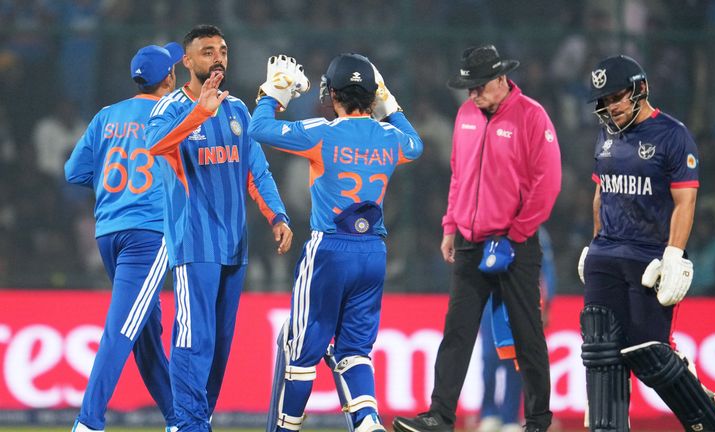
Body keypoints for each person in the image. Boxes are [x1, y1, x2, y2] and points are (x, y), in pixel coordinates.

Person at [247, 53, 423, 432]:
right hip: (373, 253)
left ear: (332, 94)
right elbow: (416, 144)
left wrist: (274, 93)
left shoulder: (322, 133)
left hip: (329, 249)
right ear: (372, 95)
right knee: (355, 350)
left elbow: (257, 129)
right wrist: (389, 104)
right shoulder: (391, 137)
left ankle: (283, 429)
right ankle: (367, 421)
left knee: (300, 350)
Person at [393, 44, 561, 432]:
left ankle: (537, 420)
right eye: (468, 87)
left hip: (515, 244)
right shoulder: (467, 114)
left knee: (526, 333)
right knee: (458, 331)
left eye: (479, 86)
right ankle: (440, 415)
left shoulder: (532, 116)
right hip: (470, 241)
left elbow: (547, 184)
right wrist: (451, 225)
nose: (472, 94)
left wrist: (517, 232)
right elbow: (459, 174)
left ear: (502, 80)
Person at [145, 25, 292, 432]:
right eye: (207, 51)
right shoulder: (171, 107)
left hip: (234, 245)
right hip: (194, 243)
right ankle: (189, 424)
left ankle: (195, 421)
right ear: (187, 62)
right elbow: (155, 145)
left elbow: (256, 170)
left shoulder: (238, 110)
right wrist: (199, 113)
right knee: (195, 342)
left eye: (223, 50)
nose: (218, 57)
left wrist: (277, 215)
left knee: (220, 350)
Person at [576, 54, 715, 432]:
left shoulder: (673, 135)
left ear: (640, 89)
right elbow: (601, 194)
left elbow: (685, 200)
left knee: (649, 353)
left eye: (617, 97)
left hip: (649, 258)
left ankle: (707, 411)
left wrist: (674, 254)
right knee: (599, 348)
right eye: (604, 101)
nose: (611, 106)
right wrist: (593, 244)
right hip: (606, 251)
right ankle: (606, 425)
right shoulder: (607, 134)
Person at [64, 42, 184, 432]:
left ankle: (178, 420)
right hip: (149, 232)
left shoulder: (106, 116)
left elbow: (73, 172)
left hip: (109, 233)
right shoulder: (175, 112)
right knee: (124, 327)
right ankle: (89, 421)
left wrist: (110, 184)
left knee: (146, 331)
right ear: (168, 78)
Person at [476, 227, 556, 432]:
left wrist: (547, 305)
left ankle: (509, 417)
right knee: (488, 359)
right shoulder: (487, 226)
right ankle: (488, 413)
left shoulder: (536, 230)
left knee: (515, 361)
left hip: (519, 299)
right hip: (490, 300)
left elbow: (547, 270)